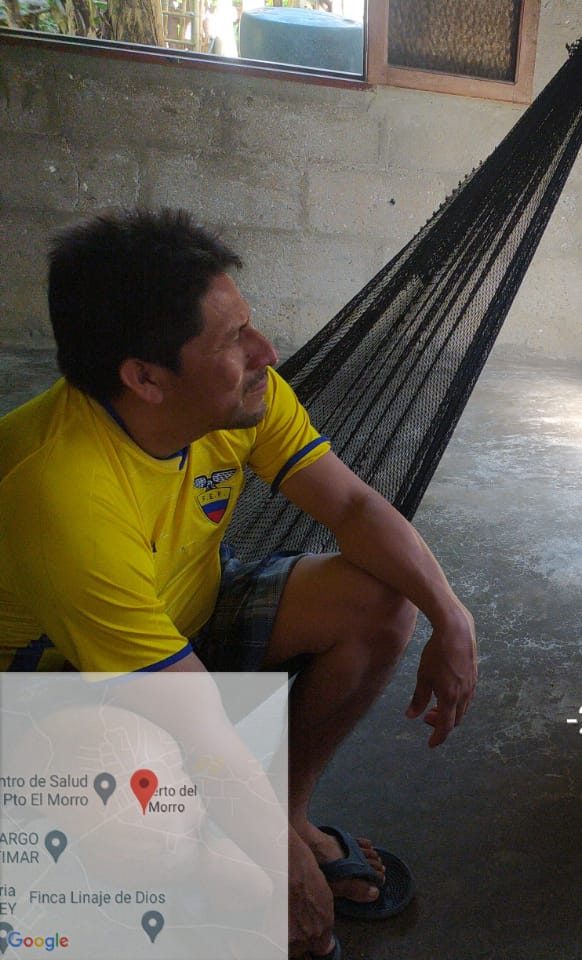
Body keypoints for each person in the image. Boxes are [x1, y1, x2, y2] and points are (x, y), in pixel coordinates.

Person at [0, 209, 479, 958]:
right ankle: (197, 864)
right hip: (51, 688)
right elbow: (193, 718)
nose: (266, 351)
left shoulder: (240, 399)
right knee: (147, 814)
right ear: (144, 378)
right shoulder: (63, 493)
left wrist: (451, 615)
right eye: (232, 339)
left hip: (177, 625)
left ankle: (286, 815)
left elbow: (353, 507)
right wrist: (283, 880)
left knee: (383, 600)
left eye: (248, 325)